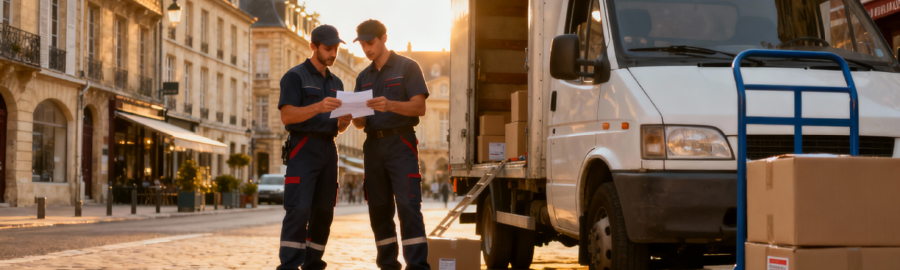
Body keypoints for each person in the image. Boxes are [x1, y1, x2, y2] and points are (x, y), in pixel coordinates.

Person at [350, 19, 431, 270]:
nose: (366, 49)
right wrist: (351, 115)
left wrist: (390, 105)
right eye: (362, 44)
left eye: (370, 43)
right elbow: (361, 124)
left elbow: (420, 107)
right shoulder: (363, 77)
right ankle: (387, 265)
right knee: (379, 210)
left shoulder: (408, 67)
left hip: (401, 142)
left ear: (384, 38)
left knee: (408, 205)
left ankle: (417, 266)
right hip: (372, 147)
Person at [276, 25, 352, 270]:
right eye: (328, 48)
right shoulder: (295, 76)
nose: (332, 53)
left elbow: (337, 128)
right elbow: (287, 116)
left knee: (324, 212)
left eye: (336, 49)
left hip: (329, 150)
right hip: (303, 147)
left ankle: (313, 264)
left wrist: (344, 123)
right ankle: (288, 265)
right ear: (313, 47)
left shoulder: (337, 81)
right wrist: (318, 107)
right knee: (299, 209)